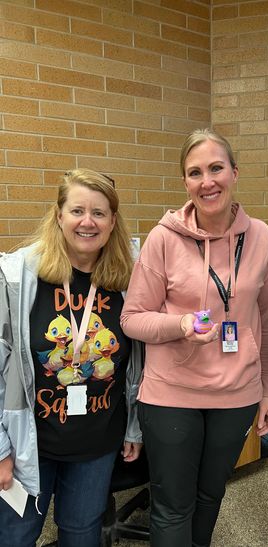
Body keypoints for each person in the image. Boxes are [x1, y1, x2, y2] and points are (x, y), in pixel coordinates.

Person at [121, 128, 268, 547]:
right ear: (185, 183)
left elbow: (264, 320)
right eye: (195, 173)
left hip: (237, 394)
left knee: (210, 495)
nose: (207, 181)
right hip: (172, 393)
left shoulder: (261, 236)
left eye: (216, 168)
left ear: (234, 172)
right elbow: (132, 319)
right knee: (173, 505)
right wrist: (180, 326)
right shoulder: (163, 238)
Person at [0, 169, 143, 547]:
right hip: (29, 440)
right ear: (59, 215)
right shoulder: (18, 277)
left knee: (82, 535)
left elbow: (138, 364)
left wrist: (133, 429)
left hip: (97, 442)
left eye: (99, 212)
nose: (87, 221)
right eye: (77, 210)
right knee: (15, 537)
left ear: (113, 221)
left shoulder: (128, 279)